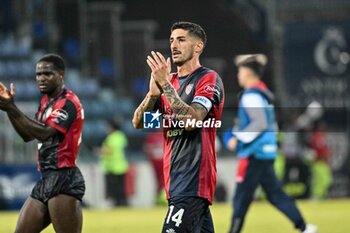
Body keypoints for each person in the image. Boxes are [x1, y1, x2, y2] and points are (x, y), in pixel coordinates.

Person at [132, 21, 224, 232]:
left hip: (194, 180)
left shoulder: (208, 79)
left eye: (181, 40)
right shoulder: (168, 83)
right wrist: (152, 95)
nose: (174, 45)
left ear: (198, 46)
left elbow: (192, 121)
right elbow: (138, 122)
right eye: (172, 40)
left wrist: (164, 86)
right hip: (175, 182)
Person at [223, 54, 318, 233]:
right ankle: (304, 227)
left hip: (253, 154)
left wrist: (238, 138)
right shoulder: (264, 93)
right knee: (276, 195)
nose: (238, 75)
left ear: (248, 74)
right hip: (266, 153)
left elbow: (259, 123)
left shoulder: (250, 96)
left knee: (241, 198)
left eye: (240, 71)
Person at [0, 54, 85, 233]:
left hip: (64, 179)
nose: (41, 78)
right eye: (38, 74)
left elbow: (45, 134)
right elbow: (27, 136)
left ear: (61, 75)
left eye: (47, 74)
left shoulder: (68, 102)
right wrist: (9, 108)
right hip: (46, 178)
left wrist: (12, 108)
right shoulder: (47, 102)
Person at [100, 120, 129, 206]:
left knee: (114, 188)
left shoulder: (112, 137)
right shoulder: (121, 136)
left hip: (113, 167)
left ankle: (118, 203)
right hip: (121, 165)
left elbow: (109, 150)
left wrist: (100, 151)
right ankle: (122, 203)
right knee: (121, 187)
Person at [144, 129, 167, 205]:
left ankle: (160, 199)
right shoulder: (166, 135)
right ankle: (163, 199)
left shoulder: (151, 137)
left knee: (159, 181)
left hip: (156, 162)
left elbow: (148, 150)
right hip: (163, 162)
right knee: (164, 181)